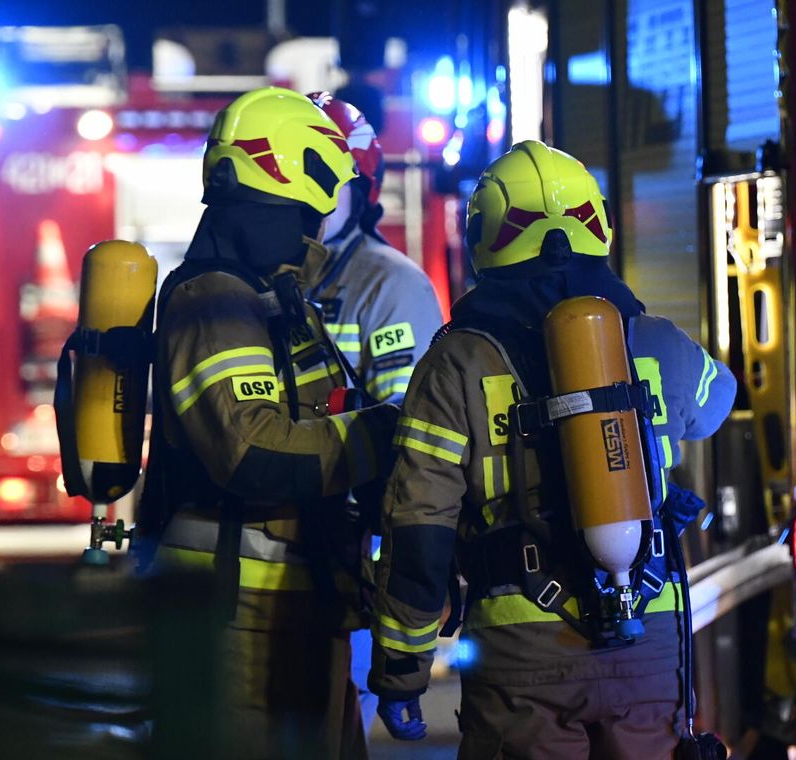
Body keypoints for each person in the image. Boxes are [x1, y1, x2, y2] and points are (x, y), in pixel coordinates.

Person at [368, 140, 737, 758]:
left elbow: (419, 526)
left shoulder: (456, 361)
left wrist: (403, 667)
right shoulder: (654, 339)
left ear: (486, 237)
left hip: (524, 654)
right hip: (648, 640)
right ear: (598, 226)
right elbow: (717, 403)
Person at [137, 87, 398, 759]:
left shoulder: (271, 296)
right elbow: (252, 452)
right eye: (319, 198)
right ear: (290, 180)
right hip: (235, 619)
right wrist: (385, 436)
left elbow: (319, 418)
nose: (322, 216)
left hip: (296, 608)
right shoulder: (214, 299)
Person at [303, 90, 445, 740]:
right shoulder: (269, 283)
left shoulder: (388, 286)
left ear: (360, 192)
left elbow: (408, 446)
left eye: (325, 182)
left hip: (349, 557)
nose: (307, 200)